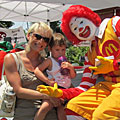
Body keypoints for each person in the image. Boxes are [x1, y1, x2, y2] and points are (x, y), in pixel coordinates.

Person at [37, 5, 120, 120]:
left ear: (89, 17)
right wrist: (62, 93)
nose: (80, 29)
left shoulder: (114, 25)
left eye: (80, 22)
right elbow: (84, 87)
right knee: (72, 108)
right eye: (74, 29)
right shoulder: (90, 54)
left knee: (102, 115)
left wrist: (114, 65)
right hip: (109, 86)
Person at [4, 22, 62, 120]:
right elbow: (19, 91)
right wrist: (47, 96)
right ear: (28, 35)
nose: (41, 41)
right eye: (38, 36)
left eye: (46, 39)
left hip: (50, 114)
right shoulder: (12, 59)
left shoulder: (47, 62)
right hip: (25, 114)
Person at [34, 33, 76, 120]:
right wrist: (47, 81)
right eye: (57, 50)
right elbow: (37, 70)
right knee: (45, 107)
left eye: (63, 50)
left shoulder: (66, 61)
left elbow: (73, 76)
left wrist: (71, 68)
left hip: (66, 89)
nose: (60, 53)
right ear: (50, 49)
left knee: (62, 110)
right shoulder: (50, 61)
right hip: (54, 88)